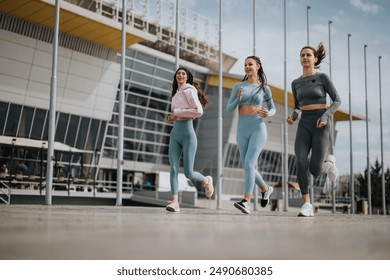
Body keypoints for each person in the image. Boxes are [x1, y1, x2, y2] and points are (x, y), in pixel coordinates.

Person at [287, 42, 341, 217]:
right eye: (302, 55)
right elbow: (297, 107)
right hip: (304, 124)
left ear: (315, 59)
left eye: (308, 55)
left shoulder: (322, 78)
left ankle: (329, 163)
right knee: (300, 162)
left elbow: (336, 100)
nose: (305, 57)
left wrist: (325, 116)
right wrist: (292, 117)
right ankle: (307, 204)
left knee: (314, 169)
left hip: (321, 124)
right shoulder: (295, 83)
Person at [227, 55, 276, 214]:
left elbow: (272, 108)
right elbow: (229, 108)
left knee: (249, 164)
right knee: (247, 166)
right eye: (245, 65)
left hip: (258, 128)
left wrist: (268, 113)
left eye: (250, 64)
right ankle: (265, 188)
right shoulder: (238, 86)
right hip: (242, 129)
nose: (247, 67)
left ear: (258, 66)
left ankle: (246, 201)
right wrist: (238, 99)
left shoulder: (264, 88)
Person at [165, 67, 214, 212]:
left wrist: (178, 112)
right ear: (175, 77)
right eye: (178, 73)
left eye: (183, 73)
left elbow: (198, 111)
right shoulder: (175, 94)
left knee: (188, 173)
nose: (180, 75)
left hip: (188, 134)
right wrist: (173, 117)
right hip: (175, 133)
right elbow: (179, 114)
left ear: (187, 77)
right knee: (173, 168)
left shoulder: (189, 90)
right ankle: (175, 201)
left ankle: (206, 180)